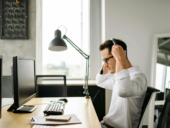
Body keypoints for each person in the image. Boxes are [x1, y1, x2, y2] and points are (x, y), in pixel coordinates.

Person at [96, 39, 147, 128]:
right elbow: (100, 82)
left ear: (118, 55)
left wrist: (120, 59)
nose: (106, 64)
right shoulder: (119, 76)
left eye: (106, 59)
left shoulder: (139, 78)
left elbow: (123, 91)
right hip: (106, 124)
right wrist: (105, 65)